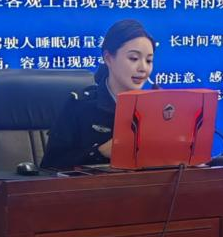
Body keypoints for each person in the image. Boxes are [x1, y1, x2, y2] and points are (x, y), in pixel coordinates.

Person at [41, 19, 155, 169]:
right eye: (134, 58)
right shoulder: (80, 106)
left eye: (149, 60)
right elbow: (50, 166)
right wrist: (99, 152)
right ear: (108, 58)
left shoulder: (155, 110)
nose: (143, 68)